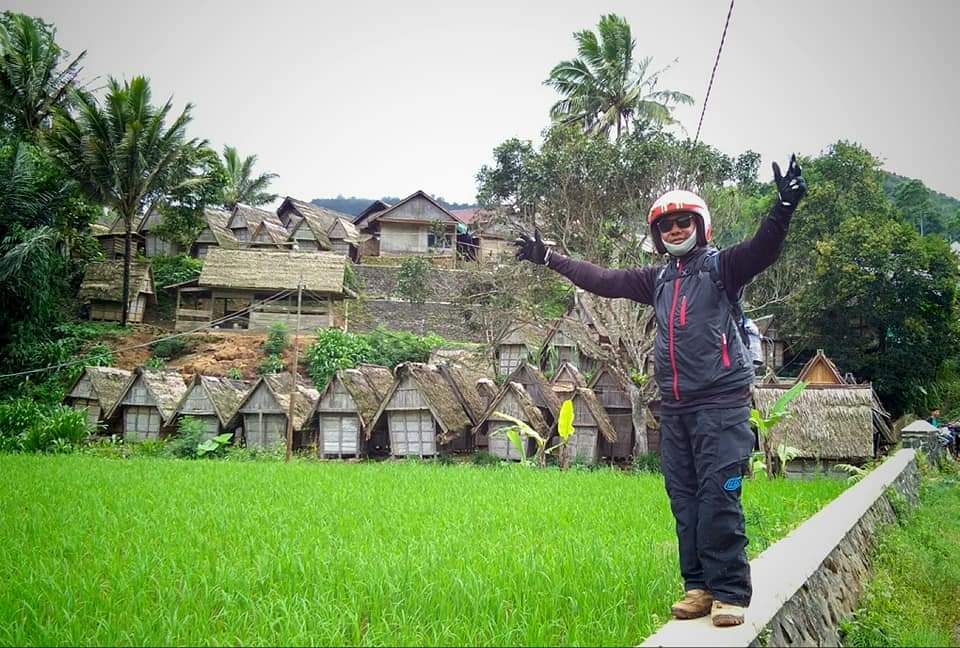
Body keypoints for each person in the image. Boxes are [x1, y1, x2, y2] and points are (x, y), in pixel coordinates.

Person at [514, 155, 807, 627]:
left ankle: (730, 591)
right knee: (685, 498)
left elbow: (764, 249)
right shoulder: (658, 279)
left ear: (701, 225)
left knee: (719, 497)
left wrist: (785, 206)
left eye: (682, 222)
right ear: (657, 234)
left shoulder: (723, 268)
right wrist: (549, 257)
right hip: (676, 406)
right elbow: (603, 280)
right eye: (665, 225)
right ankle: (698, 587)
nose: (674, 230)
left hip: (721, 403)